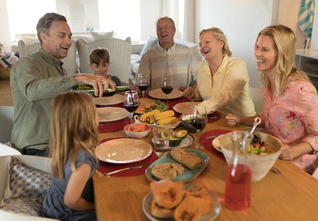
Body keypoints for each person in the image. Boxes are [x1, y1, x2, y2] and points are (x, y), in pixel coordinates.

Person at [225, 24, 318, 172]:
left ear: (281, 53)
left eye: (265, 49)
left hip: (294, 163)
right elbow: (269, 119)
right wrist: (240, 120)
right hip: (269, 153)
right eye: (257, 47)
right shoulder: (268, 81)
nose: (257, 53)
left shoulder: (301, 90)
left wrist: (293, 151)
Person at [10, 12, 115, 156]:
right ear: (44, 36)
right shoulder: (28, 62)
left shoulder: (58, 68)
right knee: (95, 161)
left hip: (61, 140)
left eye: (70, 36)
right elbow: (33, 91)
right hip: (37, 147)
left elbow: (64, 101)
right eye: (62, 35)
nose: (69, 41)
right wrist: (78, 77)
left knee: (109, 145)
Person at [42, 91, 99, 221]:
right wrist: (95, 206)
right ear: (87, 121)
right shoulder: (84, 161)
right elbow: (71, 201)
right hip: (66, 214)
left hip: (53, 205)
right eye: (95, 112)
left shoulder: (65, 144)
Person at [182, 27, 256, 117]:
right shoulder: (202, 66)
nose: (202, 47)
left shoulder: (237, 65)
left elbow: (227, 94)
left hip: (241, 123)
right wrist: (194, 95)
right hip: (215, 118)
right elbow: (204, 96)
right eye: (200, 44)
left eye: (207, 42)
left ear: (221, 43)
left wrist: (198, 109)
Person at [138, 16, 200, 90]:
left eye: (166, 27)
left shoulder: (189, 53)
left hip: (182, 99)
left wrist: (191, 91)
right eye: (159, 28)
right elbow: (142, 84)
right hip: (156, 100)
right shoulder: (147, 56)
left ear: (174, 30)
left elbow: (199, 80)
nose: (162, 31)